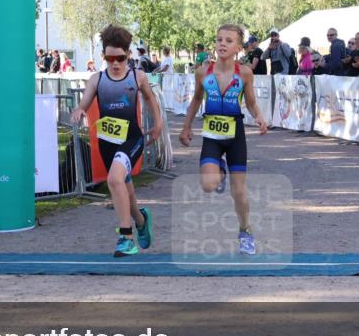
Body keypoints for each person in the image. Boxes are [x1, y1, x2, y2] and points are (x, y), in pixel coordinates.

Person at [70, 25, 164, 258]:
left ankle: (126, 237)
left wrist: (158, 124)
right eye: (110, 58)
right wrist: (80, 110)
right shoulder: (96, 79)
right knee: (126, 190)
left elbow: (151, 100)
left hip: (131, 139)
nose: (115, 63)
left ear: (128, 56)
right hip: (107, 142)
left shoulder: (137, 76)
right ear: (104, 57)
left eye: (120, 58)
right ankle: (141, 220)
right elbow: (84, 102)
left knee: (114, 179)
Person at [179, 23, 269, 255]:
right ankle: (219, 170)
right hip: (212, 135)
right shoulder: (203, 72)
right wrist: (186, 127)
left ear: (239, 47)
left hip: (235, 135)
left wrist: (259, 117)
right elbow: (196, 100)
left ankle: (245, 231)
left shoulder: (245, 73)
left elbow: (249, 102)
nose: (222, 44)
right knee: (208, 185)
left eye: (229, 41)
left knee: (239, 192)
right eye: (219, 40)